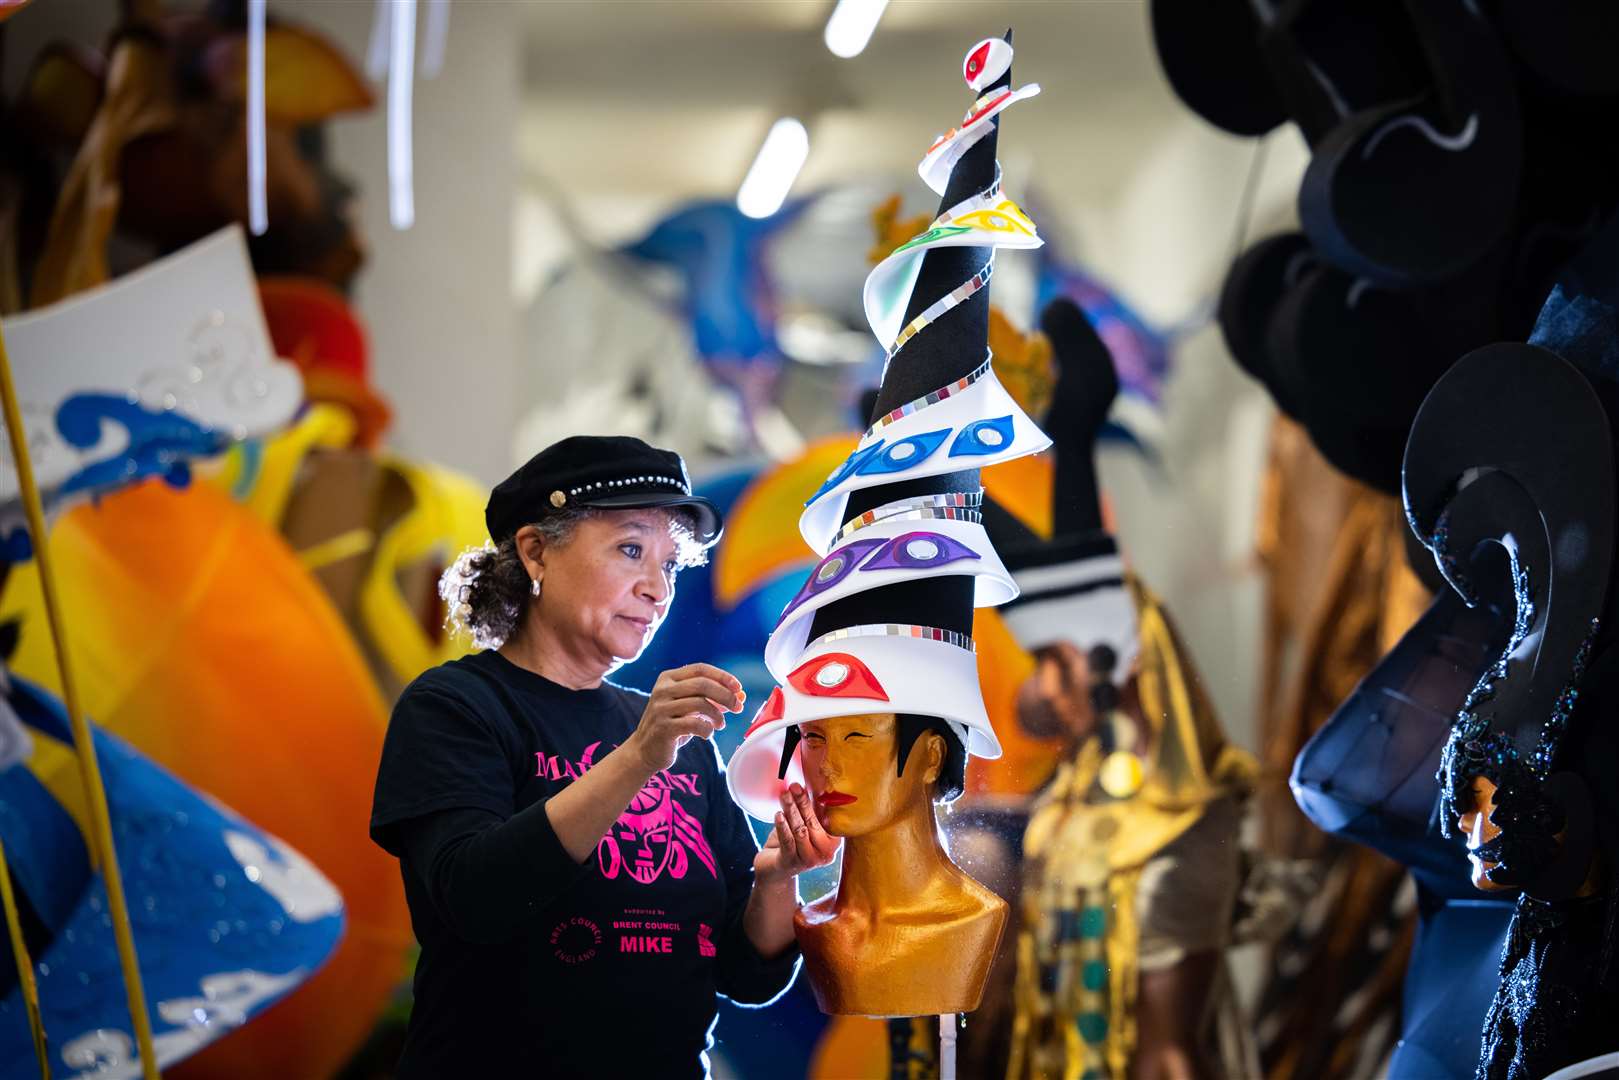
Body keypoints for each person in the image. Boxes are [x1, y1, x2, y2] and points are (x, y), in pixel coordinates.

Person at [369, 435, 838, 1078]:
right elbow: (474, 898)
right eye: (630, 548)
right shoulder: (457, 707)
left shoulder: (679, 743)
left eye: (671, 564)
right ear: (536, 551)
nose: (657, 588)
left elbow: (744, 974)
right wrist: (639, 756)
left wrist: (780, 875)